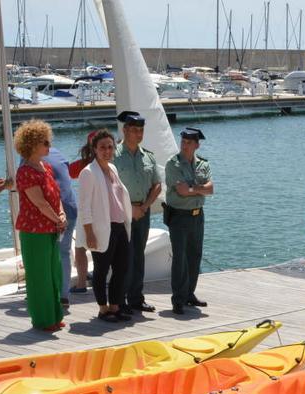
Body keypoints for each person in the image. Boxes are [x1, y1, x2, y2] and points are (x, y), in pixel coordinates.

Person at [13, 120, 66, 332]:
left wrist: (61, 213)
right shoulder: (25, 171)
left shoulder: (47, 167)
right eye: (45, 142)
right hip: (34, 232)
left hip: (50, 228)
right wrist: (57, 218)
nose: (49, 146)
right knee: (39, 277)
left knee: (54, 274)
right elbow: (40, 202)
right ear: (33, 145)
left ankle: (54, 316)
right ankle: (43, 320)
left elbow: (55, 196)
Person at [76, 129, 132, 323]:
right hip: (101, 229)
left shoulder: (113, 169)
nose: (107, 151)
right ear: (94, 149)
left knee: (122, 267)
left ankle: (115, 306)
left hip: (118, 226)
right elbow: (84, 207)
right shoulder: (88, 173)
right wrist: (89, 233)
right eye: (102, 148)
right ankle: (103, 308)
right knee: (101, 269)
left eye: (110, 147)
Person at [114, 111, 162, 314]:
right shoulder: (113, 155)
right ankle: (120, 300)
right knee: (122, 258)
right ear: (125, 130)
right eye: (134, 130)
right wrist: (129, 208)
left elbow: (157, 185)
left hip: (142, 212)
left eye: (141, 130)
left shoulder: (148, 156)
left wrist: (143, 207)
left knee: (138, 256)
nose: (138, 134)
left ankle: (136, 298)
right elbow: (110, 187)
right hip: (121, 213)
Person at [164, 127, 214, 315]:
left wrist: (193, 188)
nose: (184, 145)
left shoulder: (203, 164)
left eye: (188, 143)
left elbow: (211, 189)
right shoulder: (173, 164)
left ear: (196, 145)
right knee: (180, 258)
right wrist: (199, 188)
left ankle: (189, 294)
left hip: (197, 215)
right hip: (178, 215)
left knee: (195, 256)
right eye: (183, 142)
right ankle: (178, 299)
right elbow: (181, 191)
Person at [44, 147, 77, 308]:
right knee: (64, 253)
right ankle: (64, 295)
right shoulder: (59, 153)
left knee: (46, 255)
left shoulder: (31, 158)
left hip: (52, 212)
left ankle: (48, 294)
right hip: (70, 208)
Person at [65, 131, 97, 294]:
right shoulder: (112, 162)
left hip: (87, 212)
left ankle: (82, 284)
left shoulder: (85, 164)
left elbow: (69, 171)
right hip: (106, 213)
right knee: (102, 248)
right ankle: (99, 279)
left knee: (80, 248)